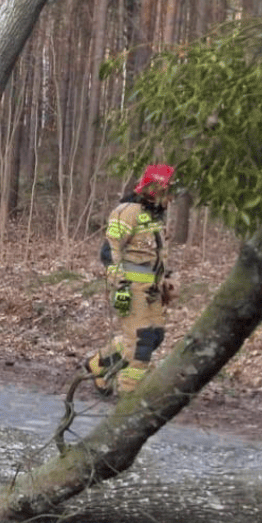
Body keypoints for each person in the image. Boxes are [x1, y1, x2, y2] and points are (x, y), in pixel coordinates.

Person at [85, 164, 177, 396]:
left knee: (155, 336)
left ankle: (101, 363)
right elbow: (109, 251)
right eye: (166, 191)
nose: (171, 198)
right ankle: (129, 396)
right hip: (131, 289)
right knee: (140, 343)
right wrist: (121, 285)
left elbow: (154, 256)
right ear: (153, 190)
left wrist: (166, 281)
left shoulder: (154, 217)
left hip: (151, 291)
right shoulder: (127, 212)